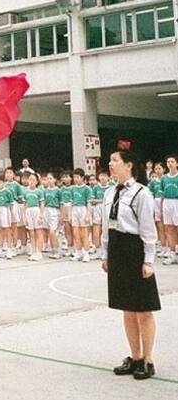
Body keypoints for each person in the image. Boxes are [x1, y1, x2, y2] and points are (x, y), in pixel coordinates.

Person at [101, 150, 160, 380]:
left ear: (129, 165)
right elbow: (106, 226)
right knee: (127, 308)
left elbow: (148, 230)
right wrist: (105, 254)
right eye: (111, 160)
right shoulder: (109, 192)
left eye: (115, 160)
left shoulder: (141, 193)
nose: (111, 163)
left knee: (143, 309)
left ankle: (148, 359)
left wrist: (148, 261)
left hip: (134, 250)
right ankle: (134, 357)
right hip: (117, 250)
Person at [70, 169, 93, 262]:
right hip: (75, 209)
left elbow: (89, 203)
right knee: (76, 233)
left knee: (84, 233)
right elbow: (71, 203)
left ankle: (86, 253)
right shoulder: (72, 189)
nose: (75, 179)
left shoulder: (87, 189)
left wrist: (87, 215)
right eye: (74, 177)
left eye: (77, 177)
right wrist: (70, 215)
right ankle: (78, 252)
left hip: (83, 209)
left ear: (82, 178)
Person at [0, 173, 15, 259]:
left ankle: (9, 249)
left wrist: (11, 213)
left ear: (4, 182)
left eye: (0, 182)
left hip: (5, 209)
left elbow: (11, 203)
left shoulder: (8, 191)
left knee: (7, 230)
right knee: (0, 230)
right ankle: (0, 249)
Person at [160, 154, 178, 265]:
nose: (170, 164)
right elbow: (162, 195)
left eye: (172, 161)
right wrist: (162, 209)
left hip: (177, 202)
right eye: (168, 162)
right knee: (169, 229)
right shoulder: (164, 178)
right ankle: (172, 254)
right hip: (167, 203)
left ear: (177, 163)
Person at [23, 174, 45, 261]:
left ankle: (39, 252)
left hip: (36, 211)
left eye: (33, 180)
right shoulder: (25, 192)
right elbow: (25, 205)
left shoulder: (39, 191)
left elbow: (42, 203)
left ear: (36, 182)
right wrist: (24, 216)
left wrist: (41, 215)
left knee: (38, 232)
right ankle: (33, 251)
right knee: (31, 233)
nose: (31, 181)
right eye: (30, 179)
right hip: (29, 211)